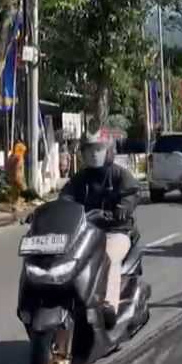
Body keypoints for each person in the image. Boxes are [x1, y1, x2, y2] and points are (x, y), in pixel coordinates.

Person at [60, 129, 140, 328]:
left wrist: (124, 207)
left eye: (98, 149)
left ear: (108, 151)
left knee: (108, 256)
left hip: (117, 231)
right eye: (89, 150)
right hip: (86, 233)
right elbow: (65, 198)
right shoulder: (79, 179)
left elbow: (132, 192)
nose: (94, 154)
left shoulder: (119, 174)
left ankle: (109, 306)